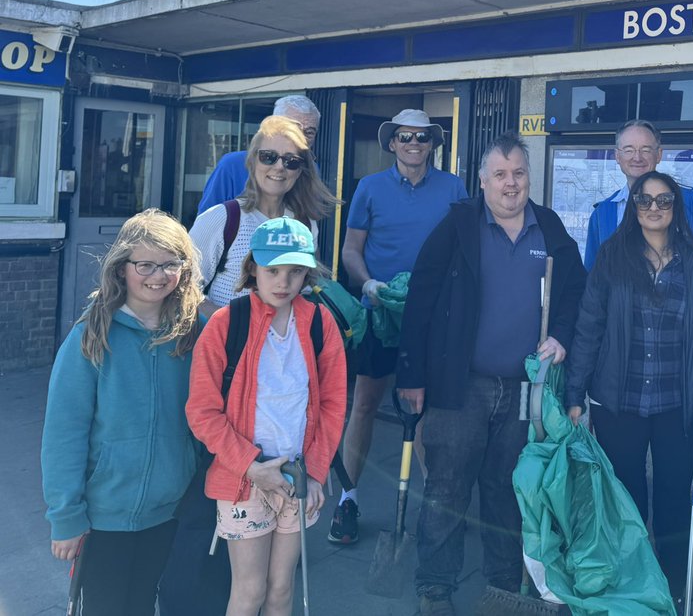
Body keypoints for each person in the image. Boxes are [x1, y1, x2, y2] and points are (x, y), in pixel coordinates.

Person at [396, 133, 586, 615]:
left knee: (509, 490)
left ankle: (503, 587)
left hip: (525, 389)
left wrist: (561, 335)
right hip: (462, 386)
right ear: (482, 181)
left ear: (529, 178)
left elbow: (574, 292)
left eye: (518, 173)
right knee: (447, 489)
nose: (510, 183)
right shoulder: (458, 226)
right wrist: (411, 375)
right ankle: (435, 589)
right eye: (500, 174)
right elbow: (420, 298)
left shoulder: (549, 227)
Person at [565, 170, 693, 605]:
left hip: (678, 403)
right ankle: (632, 584)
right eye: (644, 200)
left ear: (677, 208)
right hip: (619, 401)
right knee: (625, 497)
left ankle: (671, 588)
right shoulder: (612, 257)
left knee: (674, 498)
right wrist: (574, 394)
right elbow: (588, 327)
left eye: (663, 200)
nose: (654, 208)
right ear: (633, 207)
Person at [41, 209, 203, 616]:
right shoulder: (90, 336)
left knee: (144, 604)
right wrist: (66, 516)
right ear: (121, 268)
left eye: (170, 264)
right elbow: (64, 433)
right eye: (145, 264)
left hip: (169, 511)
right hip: (103, 517)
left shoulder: (192, 335)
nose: (158, 276)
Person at [187, 217, 347, 616]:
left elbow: (333, 404)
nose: (283, 282)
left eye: (295, 271)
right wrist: (250, 466)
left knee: (281, 589)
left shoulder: (320, 323)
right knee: (249, 591)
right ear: (252, 268)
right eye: (272, 270)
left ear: (307, 273)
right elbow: (202, 412)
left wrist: (317, 472)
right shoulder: (226, 323)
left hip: (298, 475)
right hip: (244, 480)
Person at [331, 108, 467, 544]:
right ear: (391, 143)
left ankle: (434, 509)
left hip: (430, 319)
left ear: (433, 144)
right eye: (405, 136)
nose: (414, 144)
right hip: (379, 313)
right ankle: (347, 499)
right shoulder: (369, 188)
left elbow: (464, 249)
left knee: (425, 410)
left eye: (422, 137)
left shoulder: (454, 188)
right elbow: (351, 250)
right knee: (364, 404)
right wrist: (367, 283)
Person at [191, 114, 337, 316]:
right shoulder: (221, 218)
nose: (279, 167)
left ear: (299, 171)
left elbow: (304, 291)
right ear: (252, 162)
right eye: (268, 156)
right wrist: (234, 324)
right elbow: (185, 289)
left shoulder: (305, 224)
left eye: (291, 161)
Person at [584, 119, 693, 269]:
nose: (637, 157)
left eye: (646, 150)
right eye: (629, 150)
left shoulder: (688, 202)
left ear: (659, 155)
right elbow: (592, 274)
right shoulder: (601, 213)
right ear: (617, 156)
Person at [197, 95, 322, 214]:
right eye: (292, 129)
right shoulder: (232, 165)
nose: (300, 137)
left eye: (309, 132)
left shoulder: (312, 170)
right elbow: (206, 221)